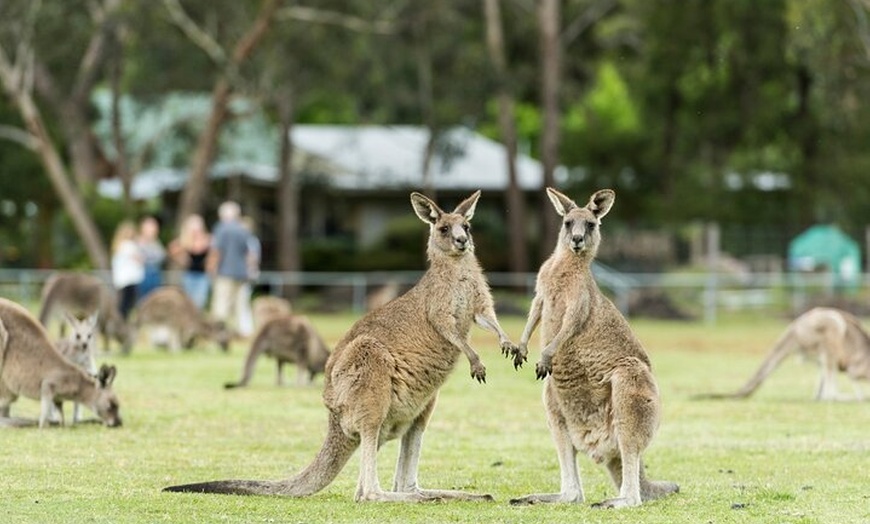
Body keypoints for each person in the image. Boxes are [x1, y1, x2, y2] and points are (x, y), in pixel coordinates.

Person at [208, 201, 254, 338]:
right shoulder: (243, 229)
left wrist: (212, 268)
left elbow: (217, 251)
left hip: (225, 273)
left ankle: (218, 332)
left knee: (221, 304)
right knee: (241, 305)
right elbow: (249, 253)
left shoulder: (221, 228)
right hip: (241, 273)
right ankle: (244, 332)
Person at [168, 214, 212, 310]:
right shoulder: (185, 241)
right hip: (189, 274)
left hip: (203, 276)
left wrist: (210, 264)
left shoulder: (207, 240)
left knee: (200, 300)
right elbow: (172, 249)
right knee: (189, 301)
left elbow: (215, 254)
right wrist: (182, 260)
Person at [111, 220, 144, 320]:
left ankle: (120, 320)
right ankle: (121, 321)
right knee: (127, 303)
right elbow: (139, 258)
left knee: (125, 302)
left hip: (123, 280)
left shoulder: (119, 246)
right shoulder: (127, 245)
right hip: (129, 280)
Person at [236, 216, 261, 338]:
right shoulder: (250, 240)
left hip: (245, 274)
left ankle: (246, 329)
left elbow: (252, 257)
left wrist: (250, 272)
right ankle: (243, 328)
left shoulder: (250, 240)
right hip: (242, 273)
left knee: (243, 302)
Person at [137, 215, 166, 299]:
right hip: (144, 275)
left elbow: (161, 257)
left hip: (156, 274)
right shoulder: (139, 241)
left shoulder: (156, 243)